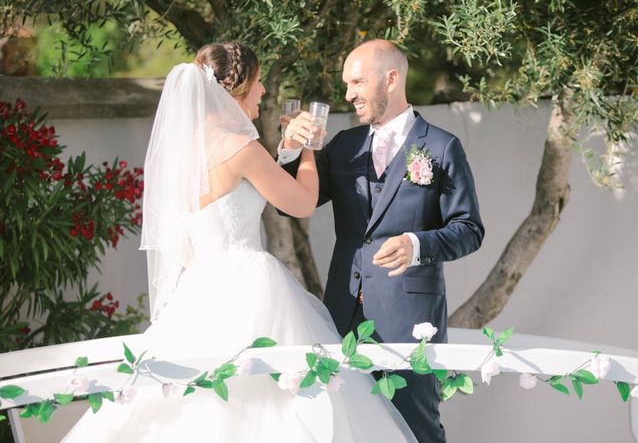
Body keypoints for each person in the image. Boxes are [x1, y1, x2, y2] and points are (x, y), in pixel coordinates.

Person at [62, 42, 417, 442]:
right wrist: (309, 148)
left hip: (197, 292)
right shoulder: (241, 148)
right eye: (259, 82)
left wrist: (288, 145)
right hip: (249, 288)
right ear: (239, 88)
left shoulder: (188, 151)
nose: (263, 91)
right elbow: (301, 203)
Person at [279, 39, 485, 443]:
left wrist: (418, 245)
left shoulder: (441, 147)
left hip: (409, 320)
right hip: (341, 316)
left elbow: (470, 228)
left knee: (415, 429)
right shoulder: (342, 145)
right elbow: (292, 205)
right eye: (346, 84)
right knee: (345, 429)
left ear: (391, 79)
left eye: (357, 82)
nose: (348, 94)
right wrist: (289, 149)